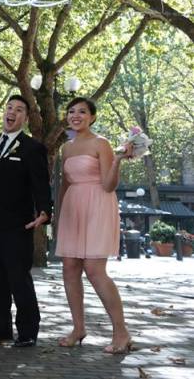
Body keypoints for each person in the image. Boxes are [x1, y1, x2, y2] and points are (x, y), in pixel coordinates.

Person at [55, 97, 133, 354]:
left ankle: (121, 332)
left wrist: (118, 160)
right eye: (71, 111)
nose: (75, 115)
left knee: (94, 270)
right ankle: (78, 328)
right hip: (72, 208)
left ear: (92, 117)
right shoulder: (66, 148)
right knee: (69, 267)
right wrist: (59, 215)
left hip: (98, 204)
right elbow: (65, 183)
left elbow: (109, 184)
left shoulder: (102, 143)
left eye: (82, 111)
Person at [0, 94, 52, 348]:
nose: (12, 112)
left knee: (18, 277)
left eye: (19, 110)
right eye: (9, 108)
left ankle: (28, 331)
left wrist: (44, 210)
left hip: (17, 225)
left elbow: (41, 185)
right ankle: (1, 327)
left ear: (26, 118)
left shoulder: (33, 148)